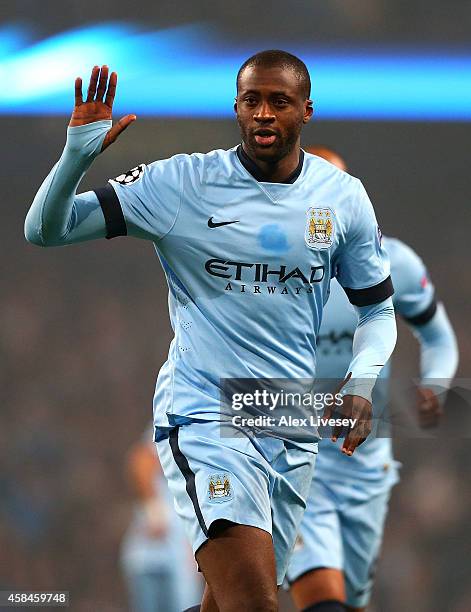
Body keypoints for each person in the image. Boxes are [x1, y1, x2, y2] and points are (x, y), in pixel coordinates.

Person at [25, 51, 397, 612]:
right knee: (252, 603)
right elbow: (48, 231)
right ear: (236, 108)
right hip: (203, 414)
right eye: (252, 100)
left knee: (223, 603)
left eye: (279, 101)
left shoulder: (343, 197)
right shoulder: (182, 183)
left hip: (284, 416)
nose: (264, 113)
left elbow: (378, 311)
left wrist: (362, 384)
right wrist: (75, 158)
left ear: (307, 110)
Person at [287, 146, 459, 612]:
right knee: (322, 600)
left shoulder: (393, 262)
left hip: (365, 463)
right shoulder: (265, 268)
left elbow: (438, 338)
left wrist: (436, 384)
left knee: (355, 601)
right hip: (293, 458)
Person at [120, 428, 202, 612]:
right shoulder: (176, 419)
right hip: (150, 555)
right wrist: (153, 507)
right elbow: (141, 459)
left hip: (183, 560)